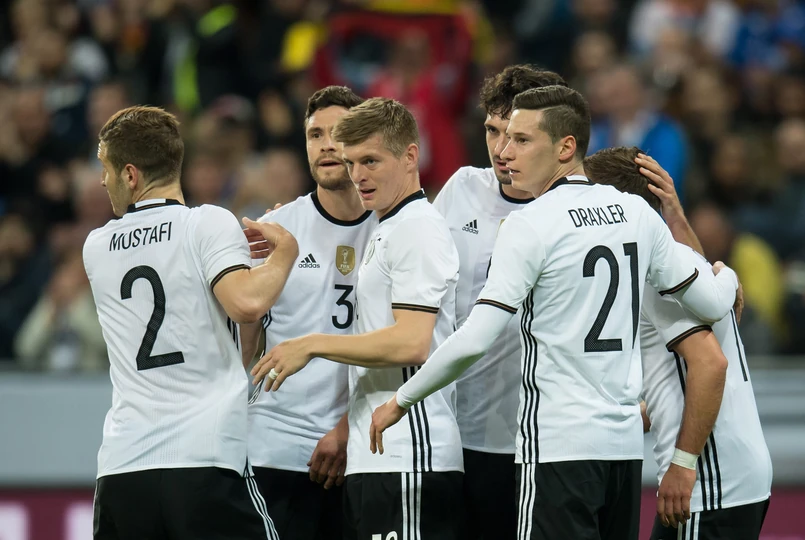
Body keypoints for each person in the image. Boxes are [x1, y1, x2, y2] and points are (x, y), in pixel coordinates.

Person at [368, 85, 740, 540]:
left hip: (556, 450)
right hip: (623, 453)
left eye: (522, 140)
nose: (505, 151)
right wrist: (727, 276)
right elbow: (714, 302)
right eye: (504, 137)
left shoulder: (530, 223)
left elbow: (476, 337)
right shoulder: (636, 213)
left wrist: (401, 400)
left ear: (565, 148)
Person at [251, 98, 465, 540]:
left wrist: (311, 345)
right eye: (353, 162)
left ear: (409, 156)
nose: (357, 173)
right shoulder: (377, 225)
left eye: (369, 160)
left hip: (405, 447)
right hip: (339, 449)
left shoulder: (415, 226)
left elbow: (413, 342)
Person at [84, 105, 298, 540]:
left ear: (130, 175)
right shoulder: (207, 222)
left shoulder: (97, 246)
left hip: (123, 469)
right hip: (205, 460)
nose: (103, 181)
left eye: (106, 169)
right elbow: (246, 304)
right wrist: (285, 255)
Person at [584, 148, 772, 540]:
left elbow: (710, 365)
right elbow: (692, 352)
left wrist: (683, 464)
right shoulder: (682, 261)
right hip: (731, 477)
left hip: (709, 482)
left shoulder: (653, 270)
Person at [431, 64, 566, 540]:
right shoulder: (461, 190)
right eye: (492, 130)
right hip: (457, 432)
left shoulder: (572, 209)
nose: (501, 148)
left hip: (540, 439)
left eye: (516, 136)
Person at [240, 85, 376, 540]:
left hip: (363, 448)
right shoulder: (276, 231)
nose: (326, 145)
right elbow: (245, 339)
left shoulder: (394, 229)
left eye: (338, 133)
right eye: (315, 135)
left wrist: (346, 430)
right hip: (274, 449)